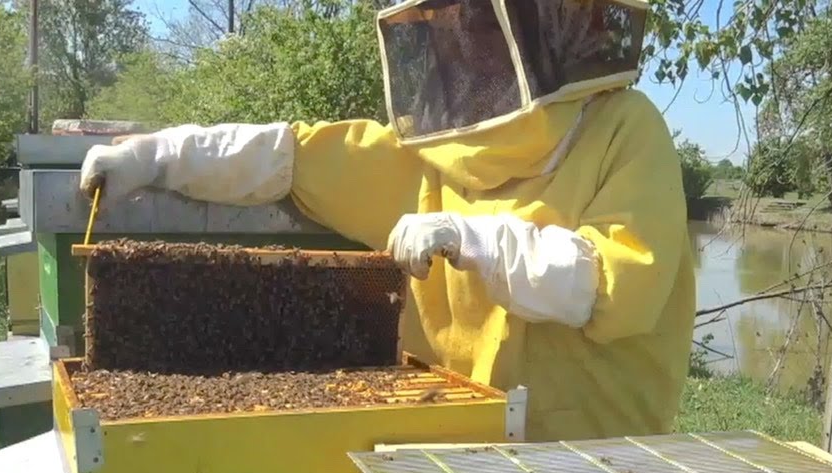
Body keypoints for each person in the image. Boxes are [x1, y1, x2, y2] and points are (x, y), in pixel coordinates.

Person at [79, 0, 695, 443]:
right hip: (452, 445)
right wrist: (157, 156)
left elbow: (613, 287)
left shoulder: (624, 129)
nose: (463, 47)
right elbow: (291, 157)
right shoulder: (434, 152)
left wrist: (473, 238)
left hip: (598, 461)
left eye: (474, 24)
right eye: (450, 28)